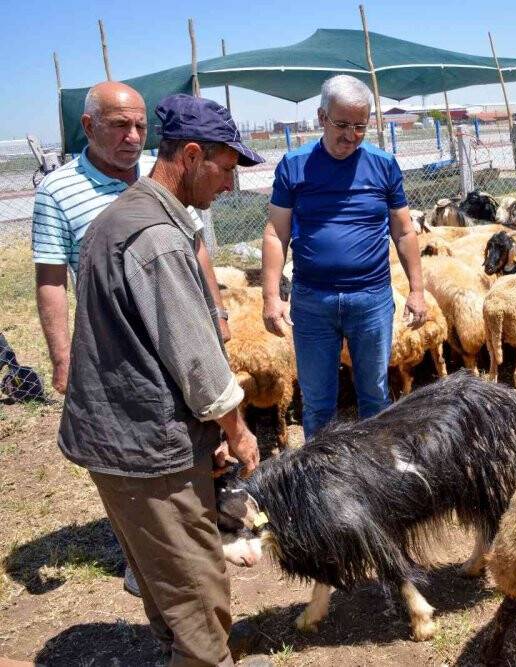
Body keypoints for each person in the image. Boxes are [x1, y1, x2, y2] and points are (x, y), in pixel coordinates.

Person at [57, 94, 264, 666]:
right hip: (146, 448)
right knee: (196, 590)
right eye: (225, 169)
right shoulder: (158, 238)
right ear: (193, 156)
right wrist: (237, 430)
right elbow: (197, 362)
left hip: (116, 440)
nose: (229, 184)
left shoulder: (119, 216)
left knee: (162, 578)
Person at [31, 81, 231, 599]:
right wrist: (61, 355)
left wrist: (215, 311)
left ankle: (177, 551)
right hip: (120, 341)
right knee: (143, 452)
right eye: (120, 125)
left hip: (174, 326)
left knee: (186, 444)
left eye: (141, 126)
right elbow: (52, 277)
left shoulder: (159, 180)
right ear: (88, 126)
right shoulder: (60, 192)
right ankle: (158, 562)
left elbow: (195, 247)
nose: (132, 136)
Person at [260, 75, 427, 439]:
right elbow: (276, 232)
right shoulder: (295, 165)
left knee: (376, 394)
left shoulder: (383, 165)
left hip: (371, 299)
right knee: (319, 401)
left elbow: (404, 230)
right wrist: (271, 296)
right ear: (321, 117)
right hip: (312, 301)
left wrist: (417, 289)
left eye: (360, 127)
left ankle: (374, 474)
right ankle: (321, 481)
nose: (350, 135)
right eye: (341, 125)